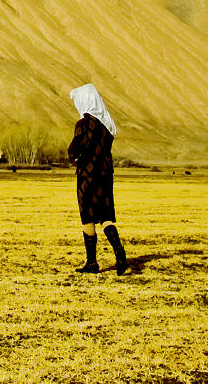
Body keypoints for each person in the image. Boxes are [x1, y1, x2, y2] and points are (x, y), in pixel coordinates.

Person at [68, 83, 129, 275]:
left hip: (87, 175)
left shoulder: (83, 124)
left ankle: (92, 262)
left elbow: (73, 150)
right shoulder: (108, 126)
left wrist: (74, 159)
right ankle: (119, 250)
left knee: (88, 216)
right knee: (105, 216)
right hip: (105, 176)